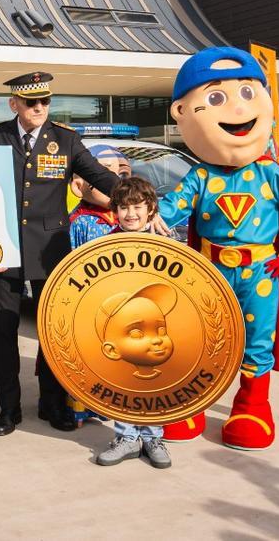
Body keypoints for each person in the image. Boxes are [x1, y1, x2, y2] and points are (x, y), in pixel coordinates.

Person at [154, 46, 279, 451]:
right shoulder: (199, 176)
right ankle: (195, 402)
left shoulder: (269, 173)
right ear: (182, 112)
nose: (235, 108)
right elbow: (171, 207)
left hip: (261, 272)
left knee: (255, 339)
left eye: (248, 94)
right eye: (214, 98)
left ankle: (252, 404)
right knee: (204, 338)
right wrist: (139, 214)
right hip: (209, 271)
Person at [0, 71, 121, 436]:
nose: (39, 107)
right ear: (15, 104)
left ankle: (52, 403)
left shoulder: (67, 139)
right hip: (3, 251)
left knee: (52, 332)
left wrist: (135, 195)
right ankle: (8, 410)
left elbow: (100, 177)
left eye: (44, 101)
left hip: (49, 253)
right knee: (5, 332)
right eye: (31, 102)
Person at [93, 176, 173, 469]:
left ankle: (153, 437)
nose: (131, 214)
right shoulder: (105, 244)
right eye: (124, 208)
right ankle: (127, 437)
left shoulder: (165, 243)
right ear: (115, 211)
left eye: (138, 207)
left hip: (155, 328)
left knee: (155, 383)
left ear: (151, 209)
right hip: (124, 330)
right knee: (124, 382)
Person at [66, 144, 131, 427]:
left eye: (123, 175)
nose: (117, 182)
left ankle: (107, 403)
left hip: (121, 304)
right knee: (86, 354)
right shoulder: (80, 222)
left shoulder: (128, 222)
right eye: (107, 175)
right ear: (78, 185)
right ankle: (79, 405)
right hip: (88, 303)